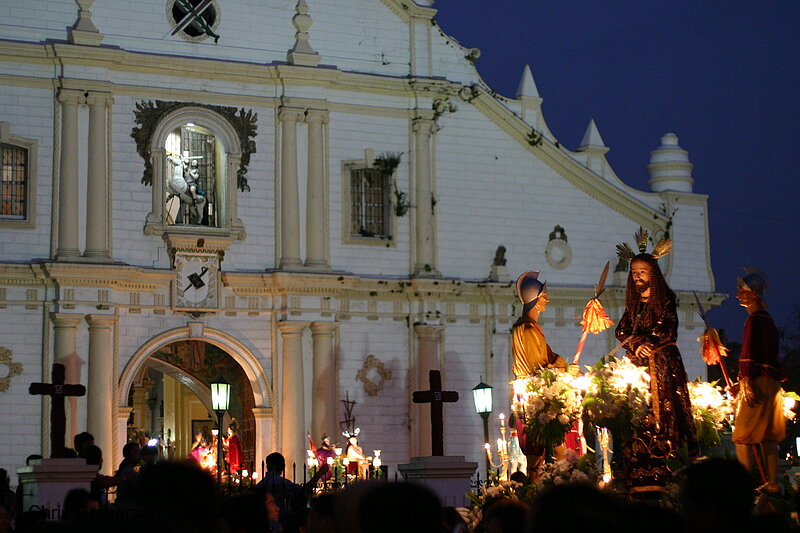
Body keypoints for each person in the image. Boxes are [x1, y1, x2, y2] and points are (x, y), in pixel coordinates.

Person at [614, 228, 698, 494]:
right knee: (639, 415)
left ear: (653, 274)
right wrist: (636, 345)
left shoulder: (665, 301)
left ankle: (667, 462)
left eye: (643, 272)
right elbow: (622, 331)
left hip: (662, 365)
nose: (638, 276)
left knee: (665, 413)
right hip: (638, 369)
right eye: (635, 272)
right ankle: (637, 467)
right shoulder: (633, 306)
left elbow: (665, 329)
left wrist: (649, 343)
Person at [731, 267, 786, 494]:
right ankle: (772, 482)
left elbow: (750, 354)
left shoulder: (755, 321)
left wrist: (744, 381)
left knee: (742, 435)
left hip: (758, 382)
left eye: (742, 290)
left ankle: (744, 484)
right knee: (767, 436)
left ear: (755, 293)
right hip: (771, 383)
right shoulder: (768, 320)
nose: (738, 295)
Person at [510, 270, 570, 472]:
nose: (548, 300)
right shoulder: (528, 330)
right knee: (545, 457)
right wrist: (562, 370)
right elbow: (541, 369)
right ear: (535, 300)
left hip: (528, 398)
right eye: (544, 296)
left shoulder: (526, 327)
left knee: (544, 455)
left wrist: (566, 367)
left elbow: (550, 358)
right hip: (536, 400)